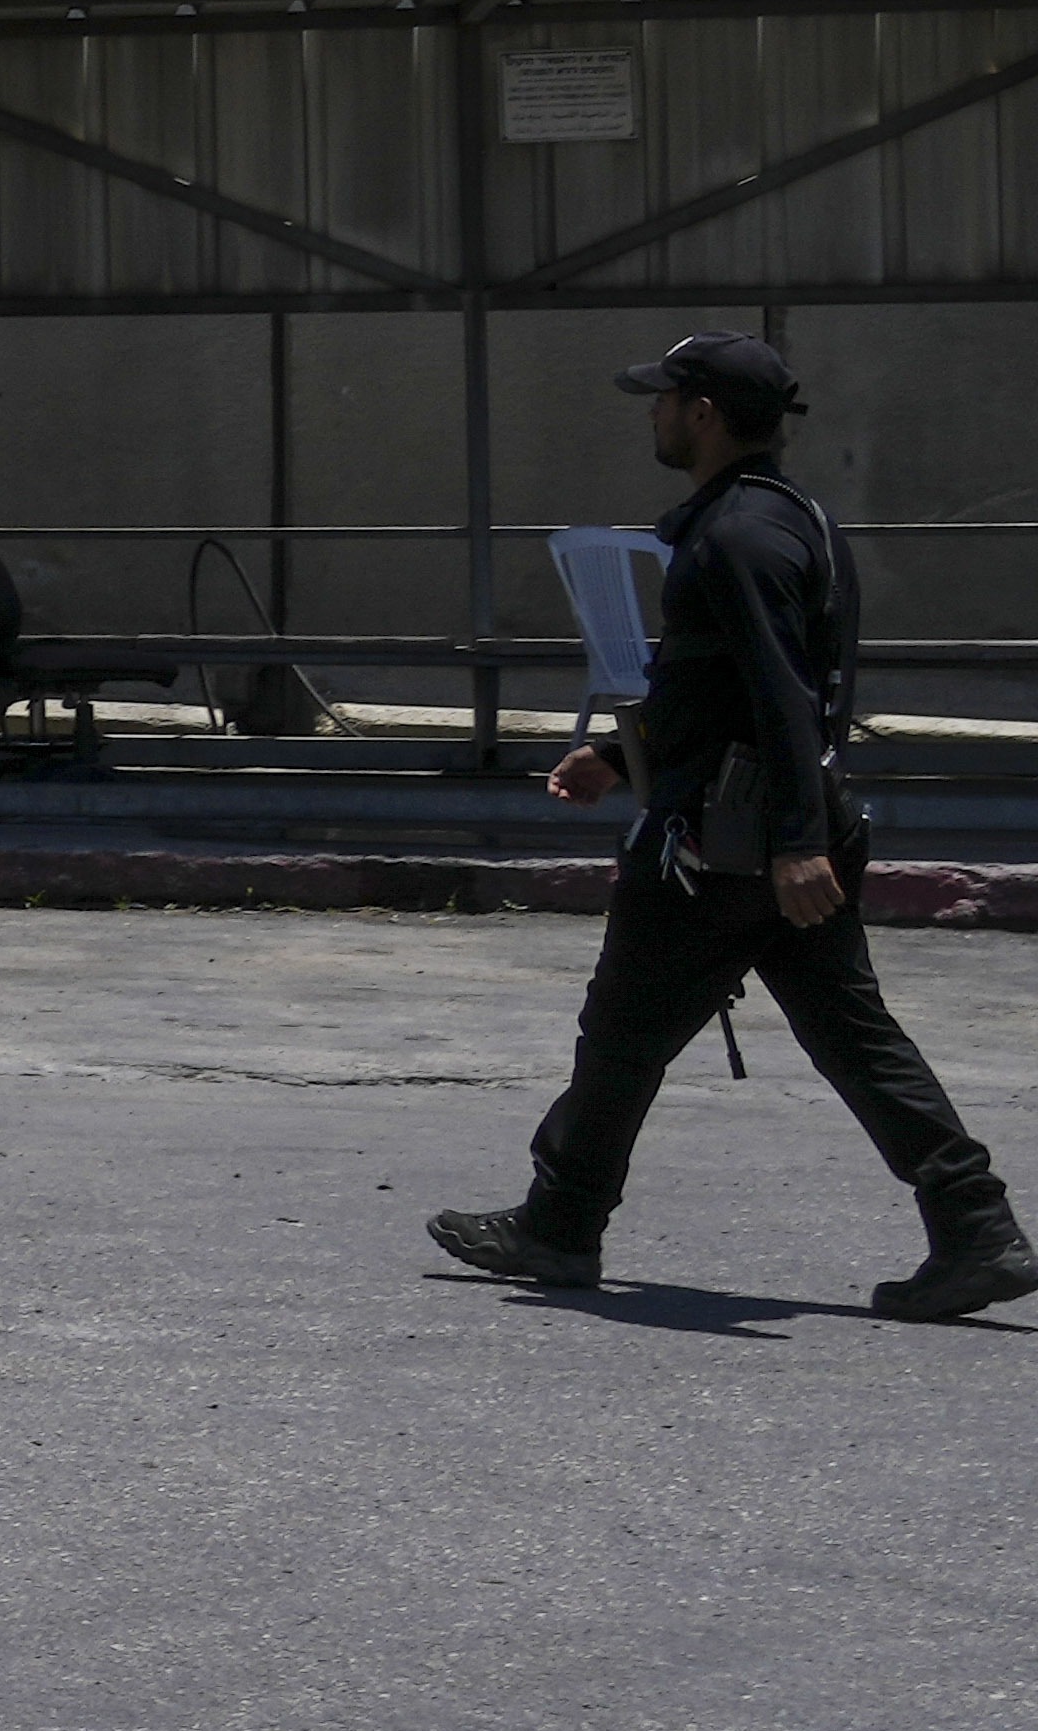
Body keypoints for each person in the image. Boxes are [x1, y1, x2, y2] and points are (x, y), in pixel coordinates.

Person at [433, 332, 1034, 1318]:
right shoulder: (788, 519)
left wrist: (792, 841)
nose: (653, 414)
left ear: (703, 412)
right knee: (850, 1030)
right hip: (784, 821)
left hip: (727, 842)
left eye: (664, 398)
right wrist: (625, 758)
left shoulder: (738, 537)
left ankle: (559, 1225)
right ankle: (976, 1225)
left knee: (623, 1030)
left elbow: (781, 695)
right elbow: (714, 681)